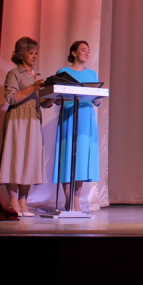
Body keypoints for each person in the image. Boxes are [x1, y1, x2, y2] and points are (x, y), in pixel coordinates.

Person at [0, 36, 49, 216]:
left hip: (34, 119)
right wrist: (33, 87)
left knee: (29, 158)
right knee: (15, 157)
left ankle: (23, 202)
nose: (35, 56)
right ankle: (13, 202)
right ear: (21, 54)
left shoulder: (37, 76)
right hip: (18, 118)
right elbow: (11, 98)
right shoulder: (14, 73)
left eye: (36, 53)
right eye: (30, 53)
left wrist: (51, 96)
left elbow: (43, 102)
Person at [53, 40, 100, 212]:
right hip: (70, 116)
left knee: (81, 159)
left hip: (86, 118)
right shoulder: (63, 72)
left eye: (88, 50)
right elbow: (57, 99)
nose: (87, 53)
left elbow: (96, 100)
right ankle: (68, 200)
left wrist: (98, 96)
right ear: (73, 53)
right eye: (83, 50)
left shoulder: (92, 74)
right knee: (68, 157)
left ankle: (76, 200)